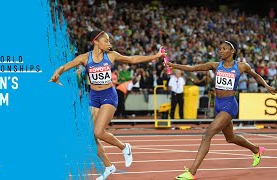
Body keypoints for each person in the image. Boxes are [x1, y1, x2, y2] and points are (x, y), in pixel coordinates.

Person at [49, 30, 166, 180]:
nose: (109, 44)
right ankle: (109, 166)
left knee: (98, 132)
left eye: (110, 41)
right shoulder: (85, 58)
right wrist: (56, 74)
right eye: (106, 41)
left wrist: (156, 56)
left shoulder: (111, 56)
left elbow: (132, 59)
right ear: (96, 42)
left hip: (109, 96)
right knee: (90, 135)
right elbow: (66, 66)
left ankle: (124, 147)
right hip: (94, 97)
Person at [165, 40, 276, 180]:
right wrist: (173, 65)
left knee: (207, 135)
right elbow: (192, 68)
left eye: (224, 49)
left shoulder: (241, 66)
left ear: (232, 51)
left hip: (229, 105)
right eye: (220, 49)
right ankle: (256, 149)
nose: (220, 51)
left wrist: (267, 86)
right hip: (218, 104)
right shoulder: (215, 65)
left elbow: (256, 76)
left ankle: (192, 172)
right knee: (230, 138)